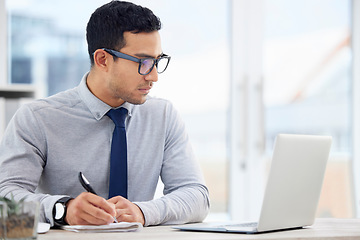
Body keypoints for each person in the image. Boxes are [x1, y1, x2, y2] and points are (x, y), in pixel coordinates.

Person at [0, 1, 209, 227]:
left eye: (157, 61)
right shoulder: (37, 118)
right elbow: (5, 198)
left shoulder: (163, 116)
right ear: (102, 60)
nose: (154, 76)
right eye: (143, 62)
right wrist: (63, 209)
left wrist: (143, 211)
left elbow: (197, 196)